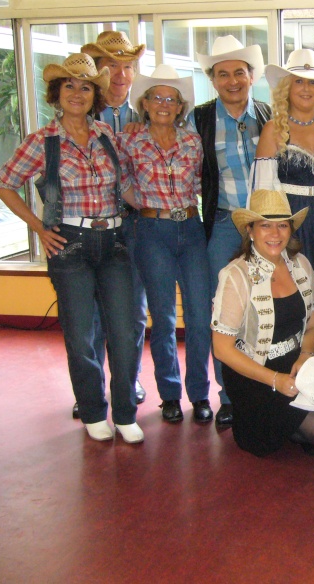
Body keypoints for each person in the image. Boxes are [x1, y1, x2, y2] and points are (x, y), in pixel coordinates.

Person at [0, 54, 143, 443]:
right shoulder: (42, 141)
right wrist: (39, 227)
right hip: (69, 245)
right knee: (79, 335)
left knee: (126, 331)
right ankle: (93, 410)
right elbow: (3, 183)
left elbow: (125, 188)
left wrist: (159, 204)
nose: (77, 93)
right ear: (56, 94)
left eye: (86, 86)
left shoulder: (108, 136)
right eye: (69, 85)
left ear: (96, 94)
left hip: (114, 242)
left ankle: (125, 413)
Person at [120, 65, 213, 424]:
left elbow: (206, 184)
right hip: (151, 231)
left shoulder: (193, 141)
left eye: (171, 99)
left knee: (200, 317)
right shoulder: (128, 140)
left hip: (190, 229)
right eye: (156, 97)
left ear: (180, 107)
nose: (163, 103)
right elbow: (119, 182)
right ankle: (170, 395)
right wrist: (142, 206)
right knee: (162, 319)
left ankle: (200, 394)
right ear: (144, 103)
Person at [211, 189, 314, 457]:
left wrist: (305, 355)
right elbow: (222, 349)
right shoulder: (235, 275)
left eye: (282, 225)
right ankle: (282, 423)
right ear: (250, 230)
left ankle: (292, 422)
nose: (275, 234)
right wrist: (275, 380)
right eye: (265, 225)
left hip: (296, 362)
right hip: (253, 371)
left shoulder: (301, 264)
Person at [192, 36, 272, 430]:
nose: (232, 81)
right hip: (224, 224)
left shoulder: (269, 114)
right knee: (224, 312)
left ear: (251, 76)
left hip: (266, 225)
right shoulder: (199, 119)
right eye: (222, 74)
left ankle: (267, 385)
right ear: (213, 80)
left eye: (239, 72)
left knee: (268, 304)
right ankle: (228, 396)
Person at [79, 30, 148, 418]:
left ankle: (128, 378)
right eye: (110, 66)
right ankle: (90, 388)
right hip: (91, 226)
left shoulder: (149, 113)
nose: (120, 74)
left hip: (135, 225)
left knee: (133, 312)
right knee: (89, 314)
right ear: (99, 71)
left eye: (127, 66)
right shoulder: (81, 115)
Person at [254, 48, 314, 270]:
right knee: (298, 289)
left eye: (313, 82)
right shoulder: (272, 130)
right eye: (298, 82)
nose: (306, 88)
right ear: (286, 87)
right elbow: (263, 192)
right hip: (291, 223)